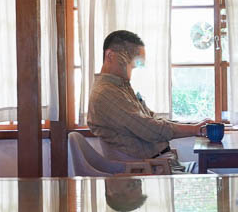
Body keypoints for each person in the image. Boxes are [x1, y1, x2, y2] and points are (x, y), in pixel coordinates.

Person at [86, 29, 209, 171]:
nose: (131, 70)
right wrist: (195, 129)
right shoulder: (106, 94)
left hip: (162, 162)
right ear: (110, 56)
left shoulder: (121, 87)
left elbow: (152, 119)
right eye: (129, 63)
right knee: (216, 181)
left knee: (213, 175)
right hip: (151, 169)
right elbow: (151, 129)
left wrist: (194, 126)